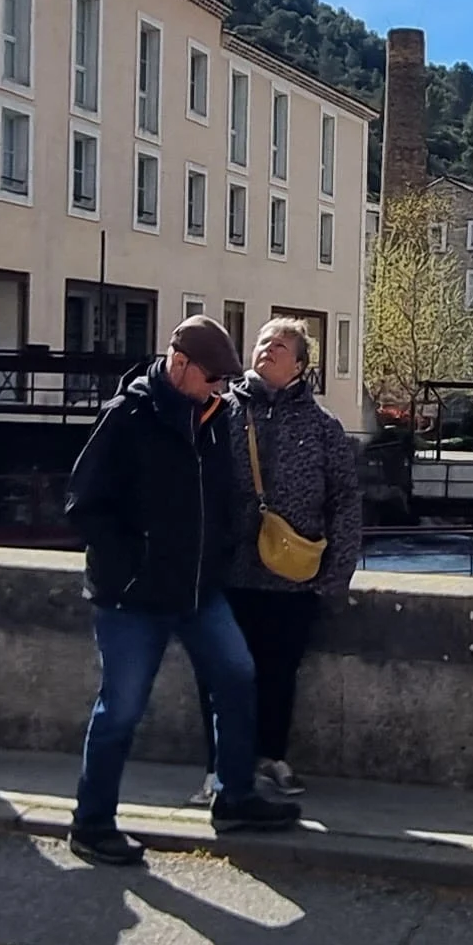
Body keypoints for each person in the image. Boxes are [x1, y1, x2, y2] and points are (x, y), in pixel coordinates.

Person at [60, 314, 293, 865]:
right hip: (133, 597)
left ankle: (233, 796)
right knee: (121, 707)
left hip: (197, 589)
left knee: (237, 677)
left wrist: (217, 551)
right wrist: (133, 565)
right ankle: (91, 823)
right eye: (212, 376)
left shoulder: (213, 416)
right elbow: (83, 505)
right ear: (179, 364)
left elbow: (218, 498)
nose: (221, 387)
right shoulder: (127, 416)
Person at [226, 317, 363, 803]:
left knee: (280, 673)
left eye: (280, 346)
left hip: (294, 577)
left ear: (301, 364)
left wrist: (336, 577)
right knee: (227, 672)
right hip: (231, 573)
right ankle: (226, 766)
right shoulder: (223, 413)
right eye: (263, 342)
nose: (267, 350)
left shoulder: (322, 426)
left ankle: (272, 757)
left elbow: (345, 501)